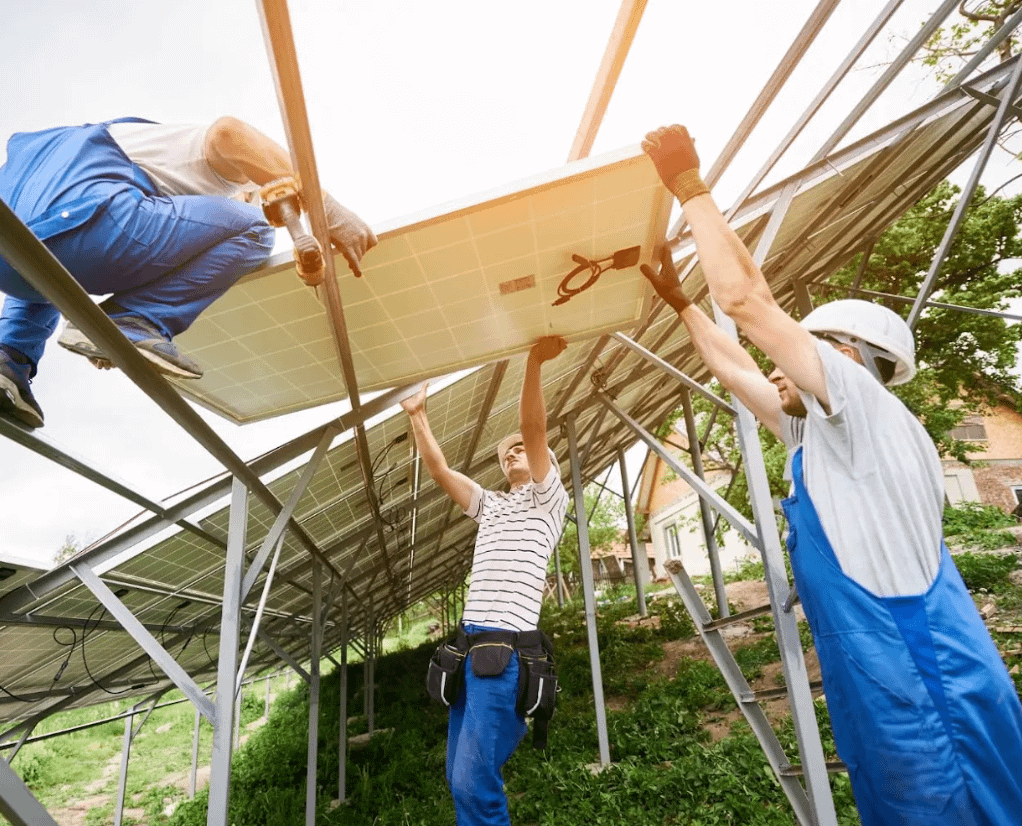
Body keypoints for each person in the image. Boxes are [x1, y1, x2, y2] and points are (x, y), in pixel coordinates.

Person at [639, 123, 1022, 825]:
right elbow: (735, 367)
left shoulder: (859, 405)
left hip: (928, 687)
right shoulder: (820, 433)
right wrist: (680, 304)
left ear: (845, 355)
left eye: (801, 349)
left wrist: (688, 187)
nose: (780, 365)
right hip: (880, 682)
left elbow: (749, 303)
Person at [0, 116, 377, 427]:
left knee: (43, 256)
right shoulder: (205, 167)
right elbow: (229, 133)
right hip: (83, 227)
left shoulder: (113, 151)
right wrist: (325, 205)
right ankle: (136, 321)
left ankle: (6, 361)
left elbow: (47, 231)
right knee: (252, 233)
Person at [401, 335, 569, 826]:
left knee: (474, 782)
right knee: (459, 774)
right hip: (469, 652)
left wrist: (533, 363)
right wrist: (417, 415)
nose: (514, 454)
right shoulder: (491, 506)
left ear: (547, 469)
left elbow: (533, 428)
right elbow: (439, 469)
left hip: (506, 656)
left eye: (522, 452)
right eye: (506, 455)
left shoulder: (546, 502)